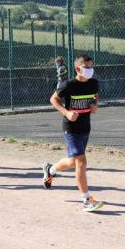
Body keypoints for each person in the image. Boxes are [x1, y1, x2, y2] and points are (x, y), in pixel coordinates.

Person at [42, 54, 104, 212]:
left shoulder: (93, 83)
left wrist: (95, 105)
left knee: (73, 161)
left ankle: (50, 170)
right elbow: (53, 99)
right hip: (71, 128)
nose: (91, 70)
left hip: (85, 127)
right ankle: (86, 199)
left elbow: (95, 97)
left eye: (92, 67)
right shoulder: (68, 85)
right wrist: (66, 112)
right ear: (78, 68)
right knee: (81, 162)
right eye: (87, 67)